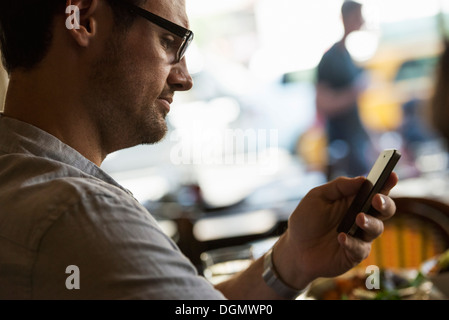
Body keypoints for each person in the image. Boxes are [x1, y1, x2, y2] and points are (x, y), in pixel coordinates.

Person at [0, 0, 398, 300]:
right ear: (83, 20)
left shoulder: (19, 179)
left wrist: (292, 260)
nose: (185, 78)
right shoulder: (78, 213)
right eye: (169, 40)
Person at [316, 0, 374, 180]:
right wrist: (355, 91)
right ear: (346, 18)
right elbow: (324, 105)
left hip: (356, 139)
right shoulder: (330, 59)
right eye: (358, 16)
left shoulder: (346, 55)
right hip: (342, 144)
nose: (363, 21)